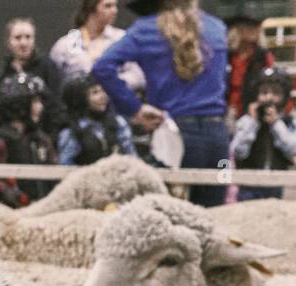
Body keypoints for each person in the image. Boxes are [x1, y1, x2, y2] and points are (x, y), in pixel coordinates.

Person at [92, 0, 229, 207]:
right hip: (218, 140)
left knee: (169, 211)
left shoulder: (145, 30)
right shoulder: (217, 28)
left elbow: (103, 66)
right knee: (217, 211)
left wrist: (135, 108)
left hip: (174, 136)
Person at [231, 66, 296, 200]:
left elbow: (294, 149)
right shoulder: (246, 121)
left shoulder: (289, 122)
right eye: (264, 92)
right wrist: (252, 123)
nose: (269, 97)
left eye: (275, 93)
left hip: (275, 184)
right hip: (248, 185)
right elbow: (238, 151)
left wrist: (276, 124)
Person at [50, 0, 145, 96]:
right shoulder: (71, 41)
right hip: (79, 105)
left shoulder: (120, 38)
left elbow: (138, 75)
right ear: (91, 8)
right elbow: (54, 81)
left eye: (115, 6)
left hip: (116, 103)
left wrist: (110, 83)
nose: (115, 11)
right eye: (108, 6)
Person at [0, 73, 55, 207]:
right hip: (15, 214)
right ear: (19, 105)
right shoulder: (3, 141)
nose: (40, 107)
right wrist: (22, 201)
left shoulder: (42, 139)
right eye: (35, 101)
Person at [0, 17, 66, 135]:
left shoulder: (47, 67)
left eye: (28, 37)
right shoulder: (3, 76)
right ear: (8, 42)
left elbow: (57, 105)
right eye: (18, 38)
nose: (23, 43)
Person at [59, 74, 137, 164]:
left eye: (103, 91)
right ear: (80, 99)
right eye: (95, 93)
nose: (102, 96)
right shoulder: (71, 132)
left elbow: (132, 157)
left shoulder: (118, 122)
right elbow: (66, 166)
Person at [225, 3, 274, 117]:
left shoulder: (264, 57)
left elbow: (271, 87)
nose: (254, 28)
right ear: (238, 27)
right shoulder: (227, 55)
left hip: (253, 115)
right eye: (249, 24)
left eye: (257, 24)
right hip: (226, 114)